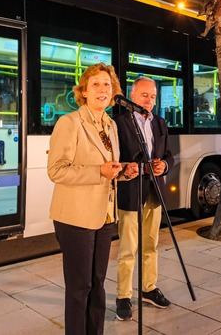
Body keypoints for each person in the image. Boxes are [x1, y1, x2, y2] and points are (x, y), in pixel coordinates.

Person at [48, 63, 138, 335]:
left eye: (107, 85)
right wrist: (98, 171)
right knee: (79, 288)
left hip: (104, 215)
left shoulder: (110, 125)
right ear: (84, 91)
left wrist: (123, 172)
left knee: (98, 283)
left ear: (114, 93)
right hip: (75, 217)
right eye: (96, 84)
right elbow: (56, 170)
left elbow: (107, 171)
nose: (102, 89)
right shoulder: (70, 123)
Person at [114, 76, 175, 321]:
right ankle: (123, 296)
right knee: (128, 248)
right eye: (144, 95)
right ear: (132, 95)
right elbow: (114, 158)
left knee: (151, 246)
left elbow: (170, 155)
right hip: (131, 192)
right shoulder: (119, 123)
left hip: (154, 193)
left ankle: (148, 288)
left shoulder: (160, 123)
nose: (149, 101)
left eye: (153, 96)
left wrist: (165, 166)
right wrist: (129, 167)